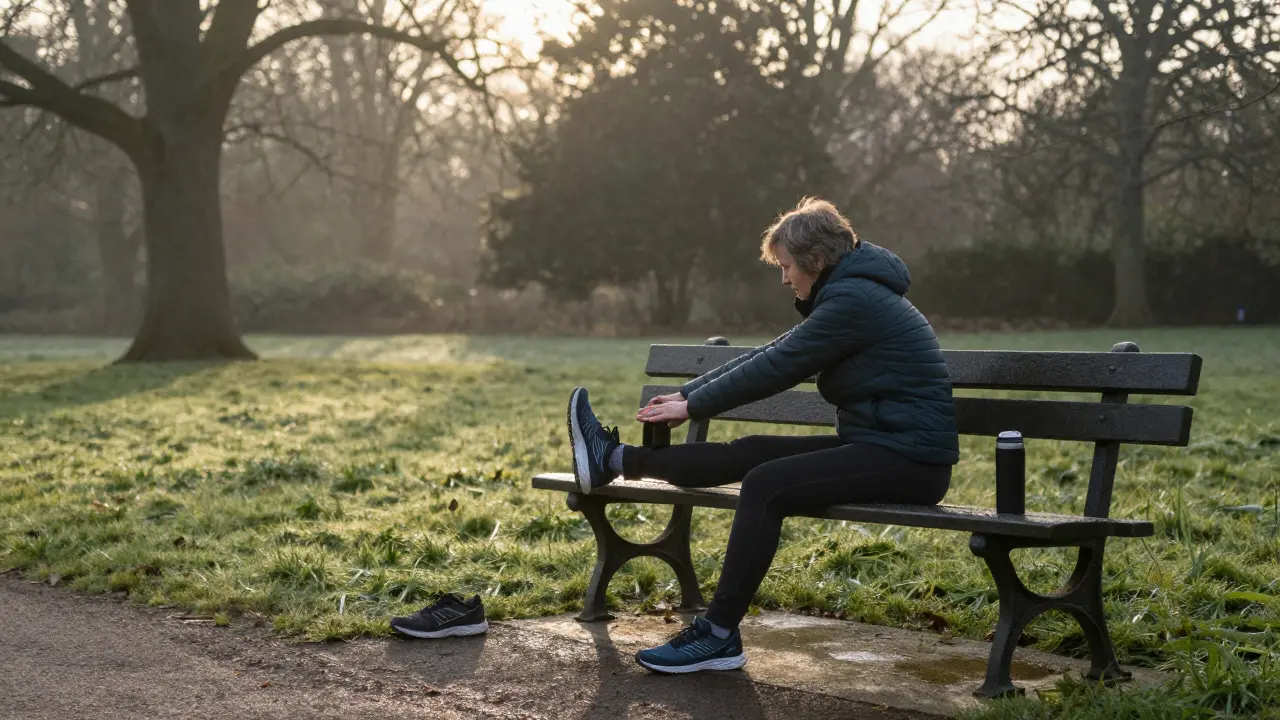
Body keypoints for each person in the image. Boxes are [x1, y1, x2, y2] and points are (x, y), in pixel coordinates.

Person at [566, 197, 959, 674]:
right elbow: (774, 352)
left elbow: (778, 367)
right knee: (750, 453)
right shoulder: (853, 292)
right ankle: (612, 459)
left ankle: (717, 634)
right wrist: (689, 394)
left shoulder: (855, 301)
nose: (784, 278)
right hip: (881, 446)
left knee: (766, 484)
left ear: (815, 261)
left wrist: (693, 405)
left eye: (787, 266)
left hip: (910, 462)